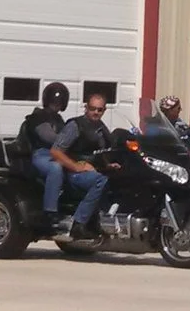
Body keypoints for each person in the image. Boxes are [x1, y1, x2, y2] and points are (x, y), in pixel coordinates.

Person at [46, 87, 116, 239]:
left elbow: (100, 152)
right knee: (101, 181)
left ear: (104, 110)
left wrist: (109, 165)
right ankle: (79, 224)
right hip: (74, 175)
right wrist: (76, 167)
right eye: (92, 108)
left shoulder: (101, 128)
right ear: (86, 107)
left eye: (100, 109)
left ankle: (101, 221)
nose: (96, 112)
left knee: (116, 179)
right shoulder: (75, 125)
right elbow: (56, 151)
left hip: (93, 171)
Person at [17, 81, 72, 221]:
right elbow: (48, 136)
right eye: (54, 102)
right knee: (55, 168)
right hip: (40, 154)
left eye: (59, 102)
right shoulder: (38, 116)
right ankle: (50, 211)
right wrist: (67, 141)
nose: (56, 105)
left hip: (58, 153)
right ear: (47, 100)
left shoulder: (59, 119)